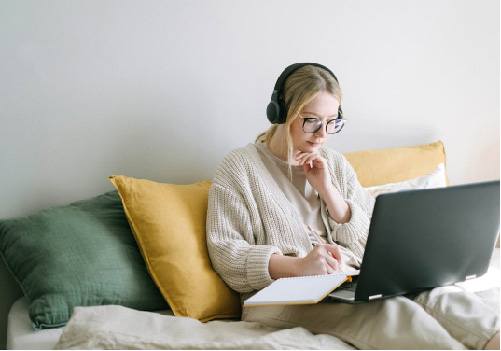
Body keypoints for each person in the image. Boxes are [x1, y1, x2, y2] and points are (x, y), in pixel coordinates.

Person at [206, 63, 500, 350]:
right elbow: (227, 253)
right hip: (277, 297)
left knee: (443, 296)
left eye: (332, 122)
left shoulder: (334, 163)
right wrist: (299, 266)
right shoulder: (240, 167)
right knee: (395, 315)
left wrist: (329, 192)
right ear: (281, 113)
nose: (322, 134)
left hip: (350, 281)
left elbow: (375, 239)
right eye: (311, 120)